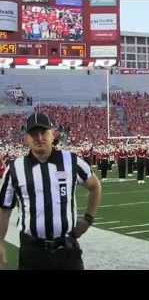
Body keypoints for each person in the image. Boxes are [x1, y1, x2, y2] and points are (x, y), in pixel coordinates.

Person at [0, 113, 102, 270]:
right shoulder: (15, 168)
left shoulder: (71, 160)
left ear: (53, 134)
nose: (39, 138)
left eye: (44, 132)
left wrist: (88, 219)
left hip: (67, 248)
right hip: (32, 251)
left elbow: (95, 186)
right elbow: (4, 209)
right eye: (34, 134)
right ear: (26, 138)